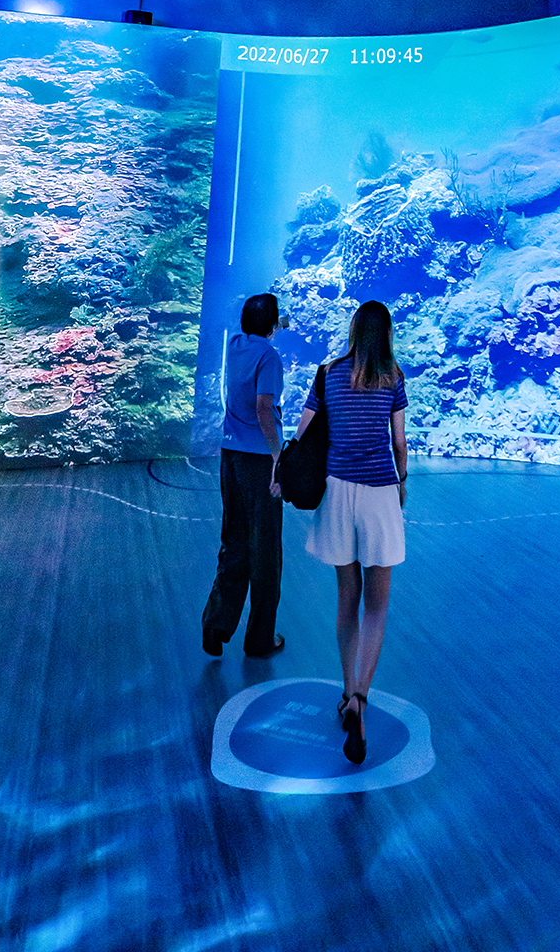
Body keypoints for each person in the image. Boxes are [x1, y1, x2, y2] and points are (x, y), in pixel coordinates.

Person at [294, 299, 407, 765]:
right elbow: (398, 441)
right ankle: (362, 695)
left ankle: (346, 691)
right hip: (380, 493)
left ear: (354, 330)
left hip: (338, 492)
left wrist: (287, 471)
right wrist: (403, 482)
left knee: (347, 598)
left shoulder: (327, 374)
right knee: (377, 606)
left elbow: (304, 431)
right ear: (387, 334)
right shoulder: (393, 377)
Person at [201, 292, 286, 659]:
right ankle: (260, 638)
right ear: (272, 324)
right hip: (259, 460)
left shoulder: (236, 346)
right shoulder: (270, 357)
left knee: (233, 539)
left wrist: (275, 322)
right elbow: (265, 409)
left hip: (230, 454)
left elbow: (260, 327)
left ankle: (215, 624)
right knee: (265, 550)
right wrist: (278, 456)